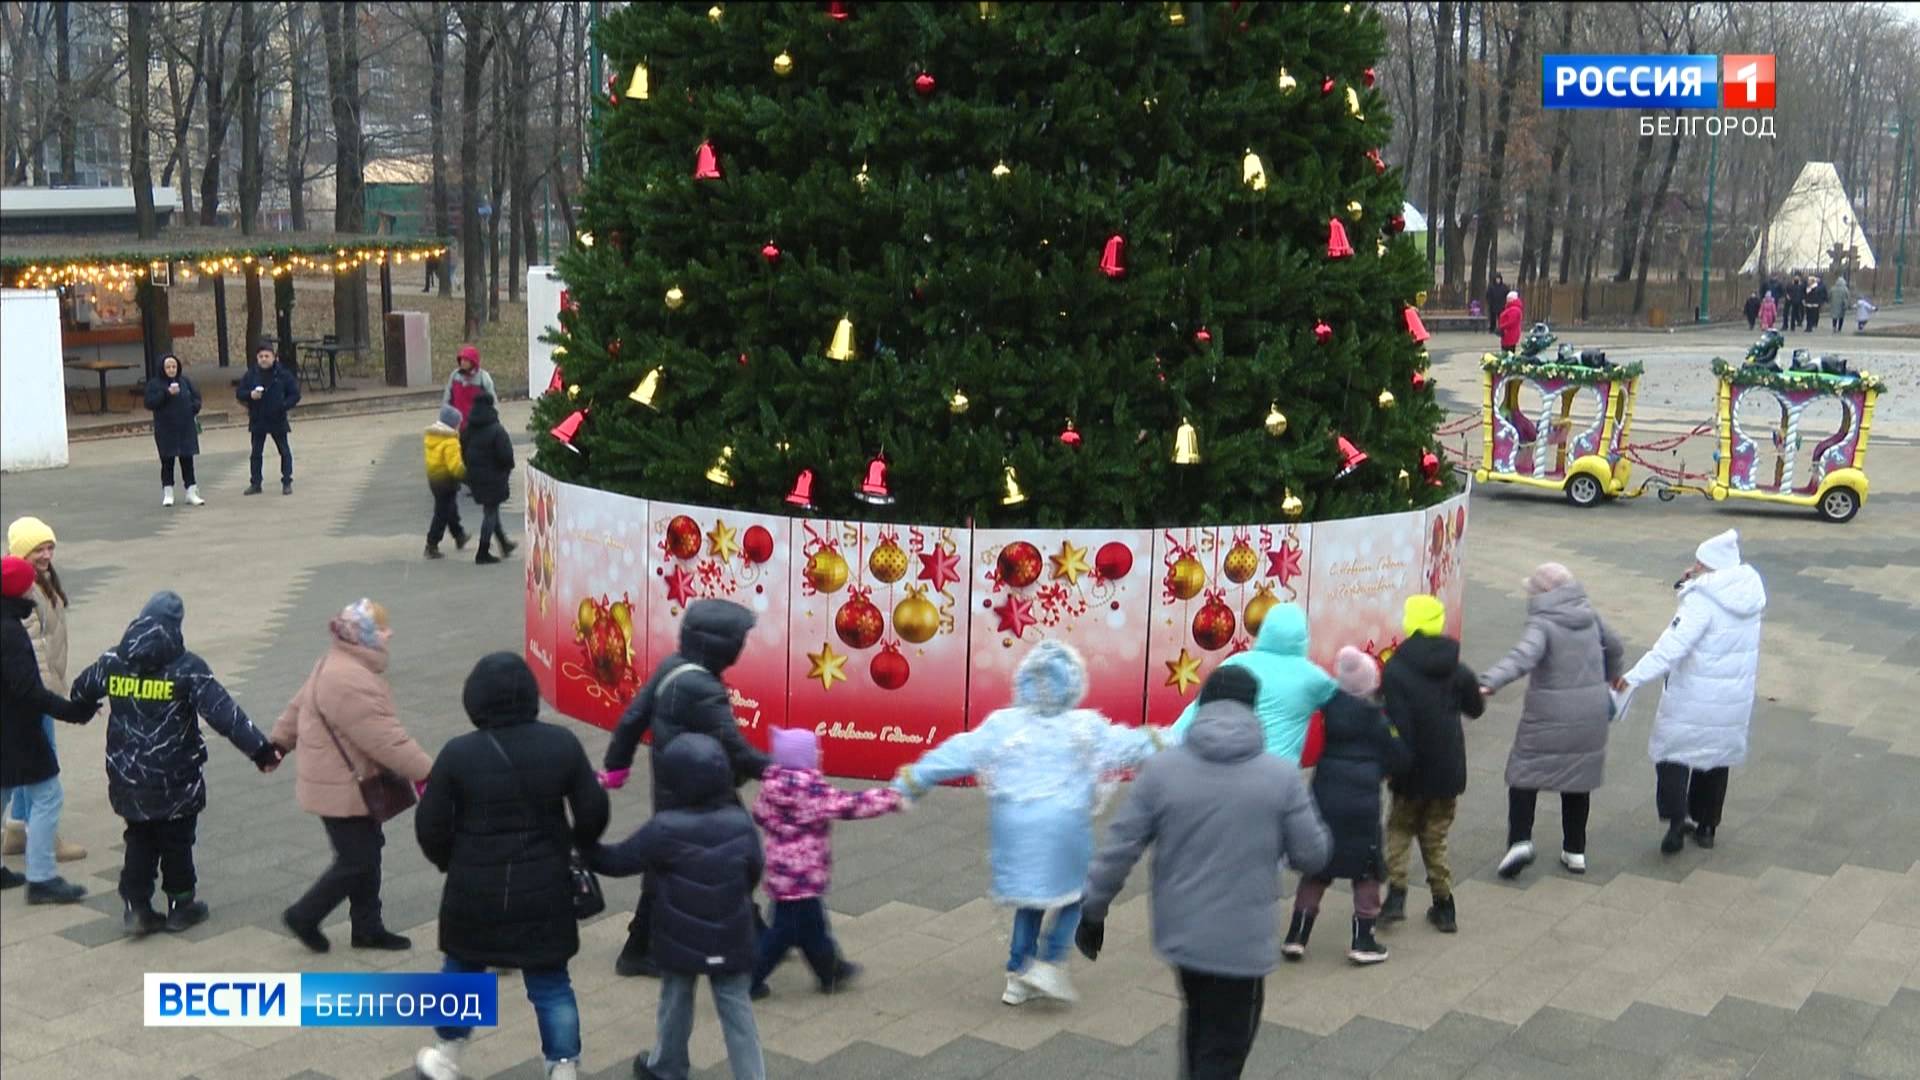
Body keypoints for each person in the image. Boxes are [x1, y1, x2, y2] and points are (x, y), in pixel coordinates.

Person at [1077, 666, 1331, 1080]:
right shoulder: (1280, 776)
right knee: (1225, 1050)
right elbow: (1314, 855)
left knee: (1199, 1022)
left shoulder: (1161, 771)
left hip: (1182, 937)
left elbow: (1119, 848)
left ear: (1203, 706)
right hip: (1242, 945)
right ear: (1252, 708)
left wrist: (1093, 911)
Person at [892, 639, 1169, 1006]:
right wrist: (1171, 740)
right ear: (1073, 683)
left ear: (1024, 680)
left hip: (1015, 829)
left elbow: (959, 750)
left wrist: (915, 780)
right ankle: (1051, 961)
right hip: (1063, 828)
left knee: (1031, 897)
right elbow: (1130, 745)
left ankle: (1017, 974)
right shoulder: (1084, 727)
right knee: (1077, 892)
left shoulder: (1002, 725)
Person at [413, 653, 610, 1080]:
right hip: (545, 887)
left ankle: (447, 1057)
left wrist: (451, 861)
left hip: (473, 889)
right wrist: (574, 846)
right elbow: (592, 811)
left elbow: (429, 825)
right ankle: (562, 1066)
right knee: (551, 983)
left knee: (462, 973)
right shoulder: (561, 744)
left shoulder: (458, 754)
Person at [67, 592, 282, 935]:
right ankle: (181, 906)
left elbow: (81, 690)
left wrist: (84, 708)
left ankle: (136, 908)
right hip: (176, 777)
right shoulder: (187, 668)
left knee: (138, 837)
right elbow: (224, 715)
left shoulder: (113, 660)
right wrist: (261, 752)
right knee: (177, 841)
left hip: (127, 776)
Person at [604, 598, 771, 977]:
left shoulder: (673, 668)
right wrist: (785, 770)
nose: (742, 648)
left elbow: (632, 720)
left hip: (673, 783)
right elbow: (736, 750)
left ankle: (755, 932)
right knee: (730, 853)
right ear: (721, 646)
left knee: (670, 858)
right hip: (703, 788)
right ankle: (639, 949)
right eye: (738, 641)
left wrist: (617, 765)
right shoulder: (702, 688)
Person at [591, 733, 766, 1080]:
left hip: (678, 934)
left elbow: (619, 861)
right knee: (736, 1008)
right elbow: (753, 870)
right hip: (731, 932)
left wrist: (585, 846)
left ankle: (668, 1067)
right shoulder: (741, 824)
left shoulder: (664, 828)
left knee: (675, 1000)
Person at [273, 600, 435, 953]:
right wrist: (432, 773)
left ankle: (367, 928)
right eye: (381, 631)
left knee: (367, 853)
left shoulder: (336, 662)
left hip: (342, 782)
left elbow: (298, 705)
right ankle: (304, 915)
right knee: (356, 860)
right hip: (341, 787)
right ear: (363, 637)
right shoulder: (349, 679)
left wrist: (278, 743)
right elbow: (386, 740)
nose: (387, 637)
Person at [1618, 530, 1765, 854]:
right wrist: (1691, 585)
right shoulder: (1747, 592)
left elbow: (1672, 646)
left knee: (1671, 751)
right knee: (1715, 756)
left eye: (1700, 563)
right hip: (1732, 694)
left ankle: (1676, 817)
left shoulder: (1701, 600)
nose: (1694, 566)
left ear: (1711, 566)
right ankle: (1707, 826)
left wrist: (1633, 677)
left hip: (1694, 692)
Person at [1479, 563, 1624, 879]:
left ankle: (1520, 841)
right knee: (1578, 778)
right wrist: (1612, 677)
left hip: (1549, 714)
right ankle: (1575, 851)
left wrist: (1490, 681)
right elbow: (1615, 646)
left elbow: (1523, 656)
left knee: (1524, 773)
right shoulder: (1590, 615)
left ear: (1543, 593)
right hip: (1591, 713)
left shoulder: (1543, 623)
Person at [750, 727, 901, 1000]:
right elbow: (851, 805)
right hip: (803, 879)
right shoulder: (811, 791)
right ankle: (749, 979)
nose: (819, 753)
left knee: (813, 927)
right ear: (803, 758)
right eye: (814, 750)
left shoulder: (771, 786)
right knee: (782, 935)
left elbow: (760, 815)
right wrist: (891, 799)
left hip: (782, 875)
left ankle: (830, 970)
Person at [1282, 647, 1409, 966]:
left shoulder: (1330, 709)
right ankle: (1363, 939)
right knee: (1367, 870)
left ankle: (1297, 935)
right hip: (1362, 803)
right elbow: (1400, 756)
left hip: (1326, 793)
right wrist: (1382, 770)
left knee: (1317, 867)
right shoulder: (1378, 719)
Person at [1379, 595, 1484, 934]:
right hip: (1447, 768)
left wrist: (1393, 762)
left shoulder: (1395, 669)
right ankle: (1444, 905)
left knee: (1399, 829)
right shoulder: (1454, 666)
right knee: (1435, 836)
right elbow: (1475, 707)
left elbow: (1395, 720)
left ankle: (1395, 895)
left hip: (1410, 767)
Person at [0, 555, 96, 902]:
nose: (31, 589)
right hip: (16, 730)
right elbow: (28, 690)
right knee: (47, 795)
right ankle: (41, 878)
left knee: (4, 792)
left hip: (8, 727)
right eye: (27, 584)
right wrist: (72, 711)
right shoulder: (10, 632)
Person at [1170, 602, 1337, 764]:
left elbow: (1196, 710)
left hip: (1227, 766)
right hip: (1278, 778)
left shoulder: (1235, 663)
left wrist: (1166, 746)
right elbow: (1348, 703)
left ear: (1264, 630)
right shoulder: (1314, 679)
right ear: (1303, 637)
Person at [236, 340, 301, 496]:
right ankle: (255, 483)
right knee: (256, 453)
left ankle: (287, 481)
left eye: (267, 356)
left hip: (277, 418)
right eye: (260, 356)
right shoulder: (251, 374)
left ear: (274, 357)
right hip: (258, 418)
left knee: (284, 451)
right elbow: (240, 393)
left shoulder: (283, 374)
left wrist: (283, 405)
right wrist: (250, 395)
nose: (263, 359)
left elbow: (295, 394)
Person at [459, 393, 516, 564]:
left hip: (475, 476)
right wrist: (506, 470)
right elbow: (506, 455)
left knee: (490, 509)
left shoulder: (468, 429)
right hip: (494, 476)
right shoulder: (496, 429)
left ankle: (504, 544)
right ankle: (482, 551)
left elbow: (462, 451)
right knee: (490, 512)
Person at [145, 354, 204, 507]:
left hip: (185, 427)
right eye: (168, 367)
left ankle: (191, 491)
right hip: (166, 428)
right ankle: (168, 492)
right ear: (162, 368)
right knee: (167, 461)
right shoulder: (155, 384)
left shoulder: (185, 381)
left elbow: (196, 397)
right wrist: (166, 394)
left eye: (173, 367)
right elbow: (150, 402)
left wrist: (194, 407)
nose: (171, 370)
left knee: (187, 460)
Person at [423, 404, 470, 559]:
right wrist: (467, 477)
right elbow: (455, 466)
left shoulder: (432, 437)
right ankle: (432, 544)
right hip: (446, 480)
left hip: (434, 478)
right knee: (442, 513)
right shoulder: (450, 442)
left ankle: (459, 535)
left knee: (450, 508)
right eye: (458, 423)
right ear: (452, 424)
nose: (459, 426)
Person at [442, 344, 496, 429]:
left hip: (476, 425)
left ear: (473, 361)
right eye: (461, 359)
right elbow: (447, 399)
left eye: (466, 360)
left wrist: (493, 423)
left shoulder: (483, 378)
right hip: (457, 424)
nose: (462, 362)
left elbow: (493, 402)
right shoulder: (455, 375)